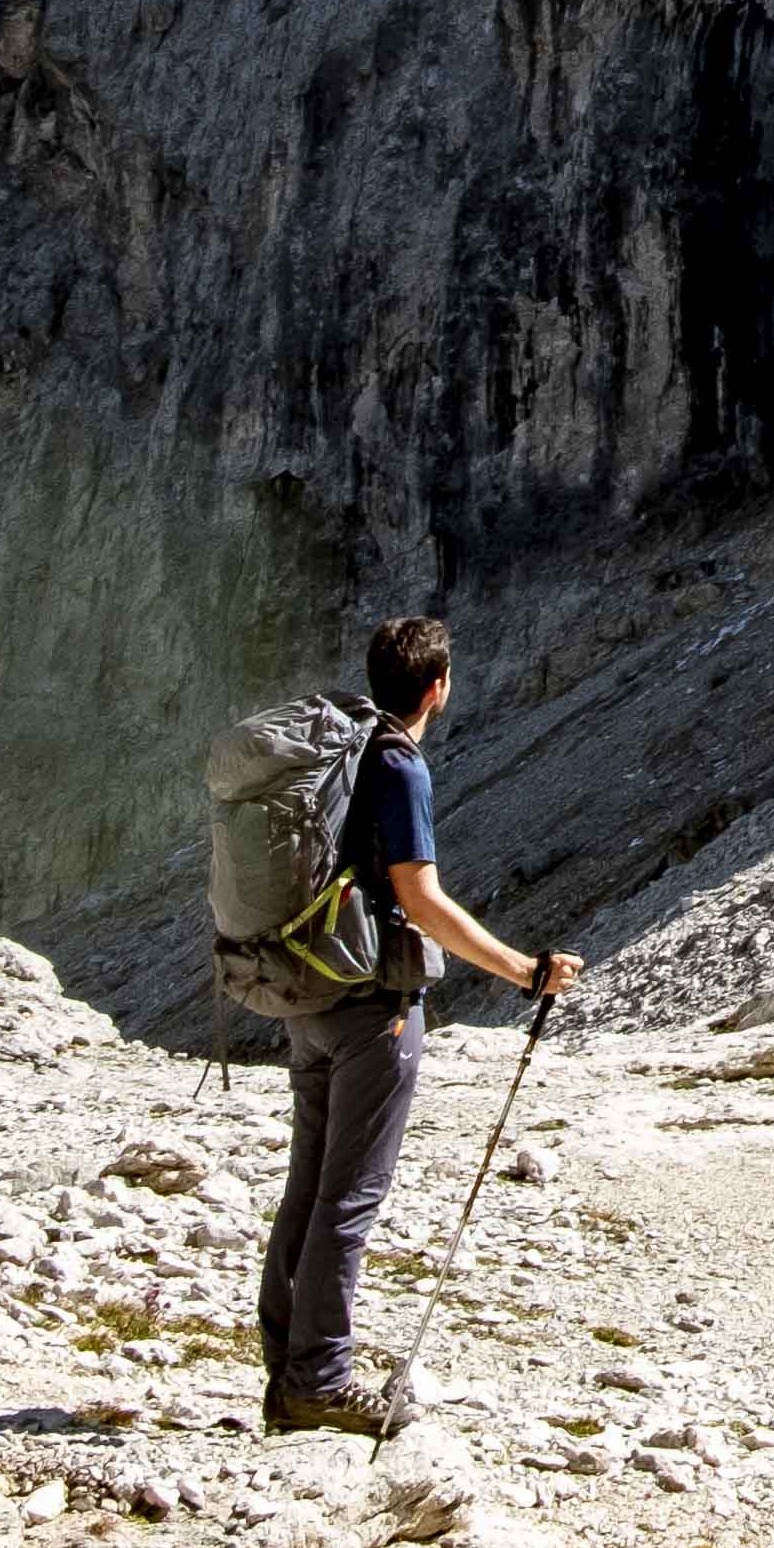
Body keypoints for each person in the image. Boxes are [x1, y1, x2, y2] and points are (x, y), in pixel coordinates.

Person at [259, 612, 578, 1434]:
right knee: (349, 1196)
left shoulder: (340, 754)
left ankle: (286, 1372)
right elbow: (421, 898)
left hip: (312, 994)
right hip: (375, 1007)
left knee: (308, 1187)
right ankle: (319, 1381)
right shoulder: (399, 764)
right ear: (438, 687)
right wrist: (525, 972)